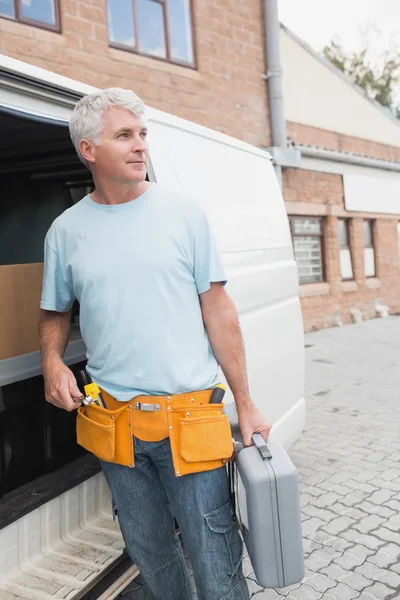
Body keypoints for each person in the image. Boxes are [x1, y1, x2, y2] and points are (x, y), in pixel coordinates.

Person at [40, 88, 271, 600]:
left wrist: (247, 404)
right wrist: (52, 361)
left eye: (143, 134)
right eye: (125, 135)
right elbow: (54, 310)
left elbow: (219, 311)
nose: (141, 145)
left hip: (189, 422)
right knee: (150, 553)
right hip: (115, 426)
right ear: (88, 149)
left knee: (216, 559)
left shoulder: (184, 215)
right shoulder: (65, 232)